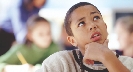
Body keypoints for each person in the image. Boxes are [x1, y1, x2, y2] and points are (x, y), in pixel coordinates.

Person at [36, 2, 133, 72]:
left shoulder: (128, 64)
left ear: (105, 26)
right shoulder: (61, 63)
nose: (92, 25)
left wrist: (106, 56)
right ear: (72, 40)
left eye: (96, 18)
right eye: (81, 23)